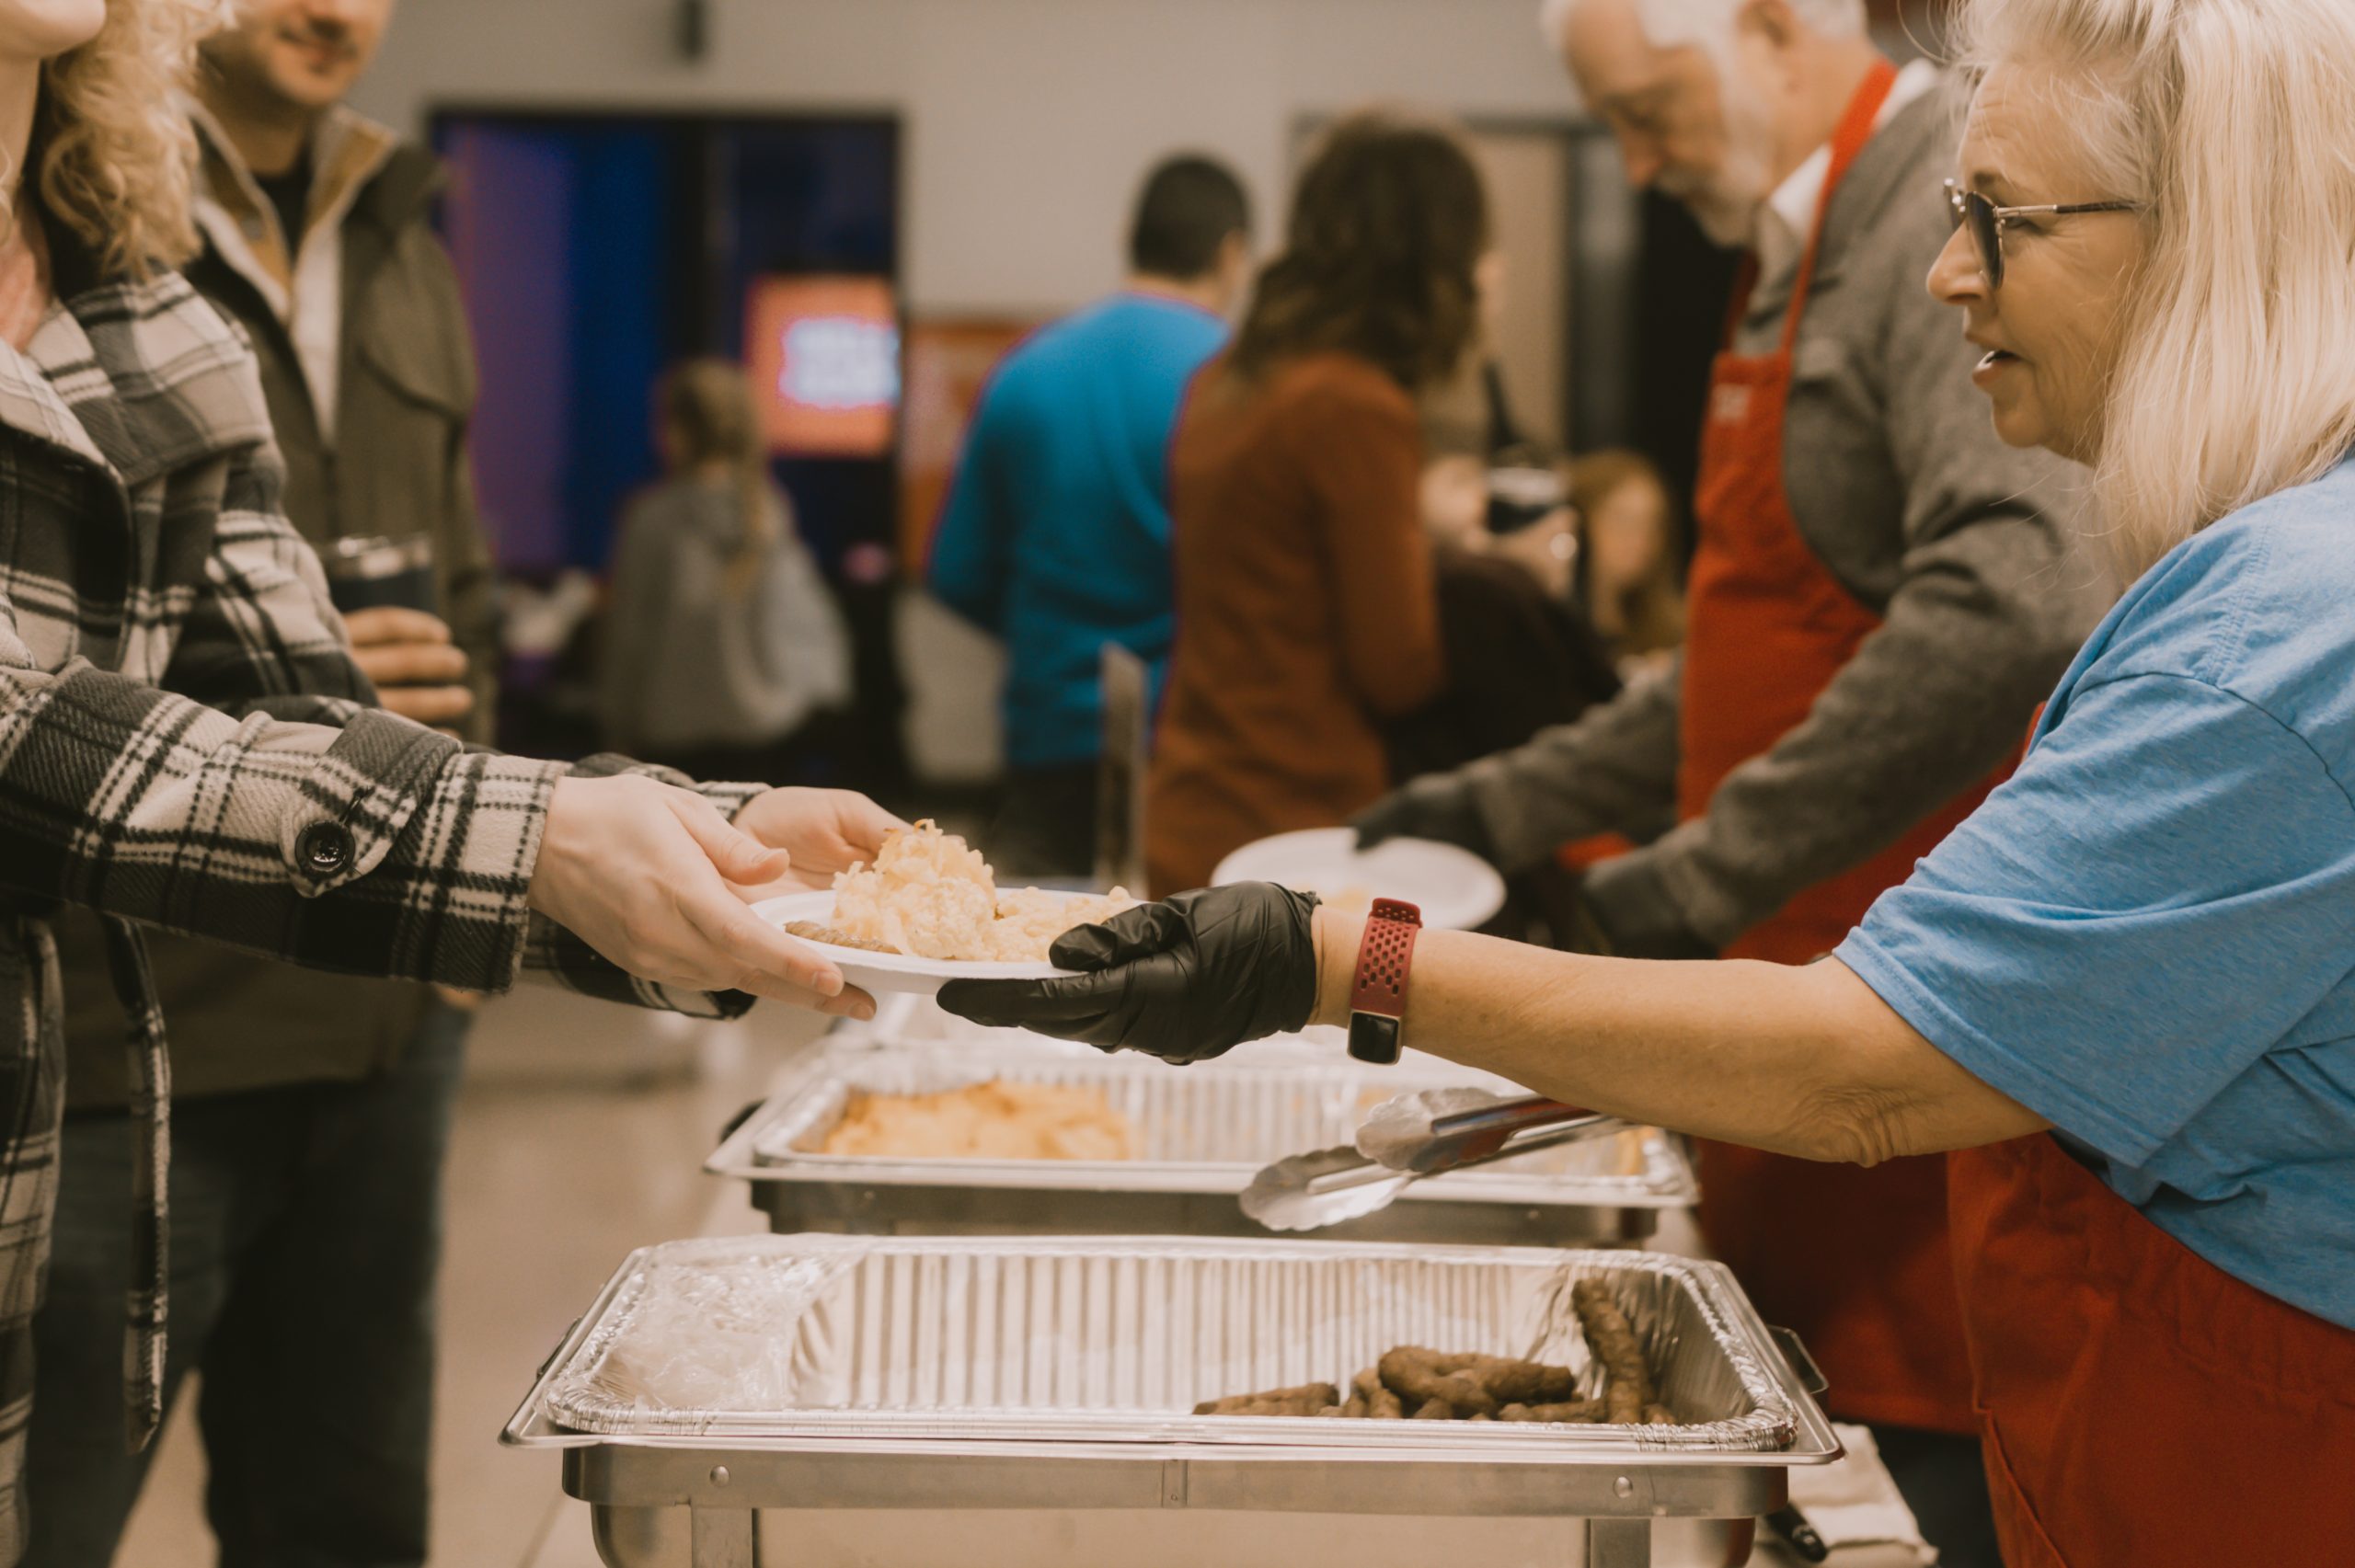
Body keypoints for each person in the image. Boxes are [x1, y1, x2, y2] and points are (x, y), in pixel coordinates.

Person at [942, 1, 2355, 1562]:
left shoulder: (2276, 643)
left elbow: (1858, 1067)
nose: (1953, 271)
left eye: (1998, 223)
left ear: (2210, 235)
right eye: (1954, 214)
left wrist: (1335, 956)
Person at [0, 4, 892, 1559]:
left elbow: (304, 697)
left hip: (293, 1010)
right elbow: (35, 729)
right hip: (105, 1052)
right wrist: (543, 837)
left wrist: (694, 831)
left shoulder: (139, 299)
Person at [1345, 2, 2101, 1551]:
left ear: (1767, 27)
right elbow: (1753, 640)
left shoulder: (1914, 228)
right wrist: (1506, 806)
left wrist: (1682, 884)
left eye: (1646, 109)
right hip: (1772, 1004)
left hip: (1887, 991)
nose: (1631, 163)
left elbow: (2006, 602)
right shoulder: (1785, 241)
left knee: (1913, 1481)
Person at [25, 2, 518, 1558]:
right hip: (123, 1022)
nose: (334, 9)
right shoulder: (123, 231)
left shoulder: (397, 223)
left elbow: (458, 585)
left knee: (349, 1518)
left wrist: (499, 842)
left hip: (373, 981)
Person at [1143, 112, 1485, 895]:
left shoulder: (1226, 382)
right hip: (1298, 836)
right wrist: (1480, 569)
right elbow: (1397, 668)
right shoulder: (1353, 405)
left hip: (1195, 799)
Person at [927, 154, 1250, 878]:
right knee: (1199, 958)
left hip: (1050, 736)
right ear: (1233, 255)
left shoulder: (1027, 370)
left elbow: (955, 571)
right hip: (1197, 747)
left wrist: (1054, 629)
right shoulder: (1243, 381)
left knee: (1044, 962)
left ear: (1127, 235)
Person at [601, 359, 851, 785]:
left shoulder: (653, 519)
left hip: (672, 737)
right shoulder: (770, 509)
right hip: (765, 730)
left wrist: (614, 729)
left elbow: (629, 638)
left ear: (677, 432)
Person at [1568, 448, 1683, 674]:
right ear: (1578, 520)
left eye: (1653, 523)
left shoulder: (1675, 628)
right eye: (1623, 519)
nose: (1640, 538)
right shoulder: (1553, 629)